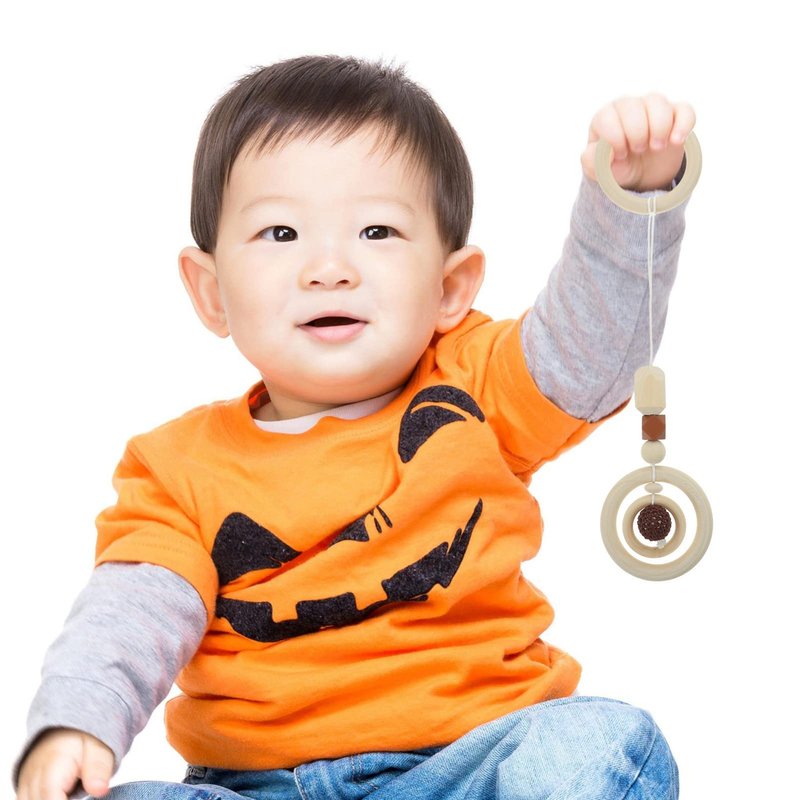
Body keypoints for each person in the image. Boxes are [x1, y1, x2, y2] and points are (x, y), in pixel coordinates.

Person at [14, 54, 694, 800]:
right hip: (254, 787)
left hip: (470, 765)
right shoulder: (175, 468)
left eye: (377, 230)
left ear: (450, 287)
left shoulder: (474, 390)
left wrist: (631, 205)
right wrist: (76, 723)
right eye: (280, 232)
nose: (329, 268)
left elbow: (592, 354)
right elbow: (132, 612)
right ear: (211, 292)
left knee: (603, 742)